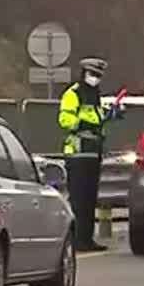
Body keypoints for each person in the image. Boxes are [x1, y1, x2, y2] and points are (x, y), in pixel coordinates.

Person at [57, 56, 120, 253]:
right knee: (78, 200)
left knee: (90, 200)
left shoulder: (95, 95)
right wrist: (84, 123)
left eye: (98, 75)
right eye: (92, 74)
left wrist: (111, 115)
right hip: (77, 153)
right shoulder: (73, 93)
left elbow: (97, 118)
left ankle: (86, 239)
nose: (95, 78)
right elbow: (65, 119)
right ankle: (76, 240)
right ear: (84, 73)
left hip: (93, 152)